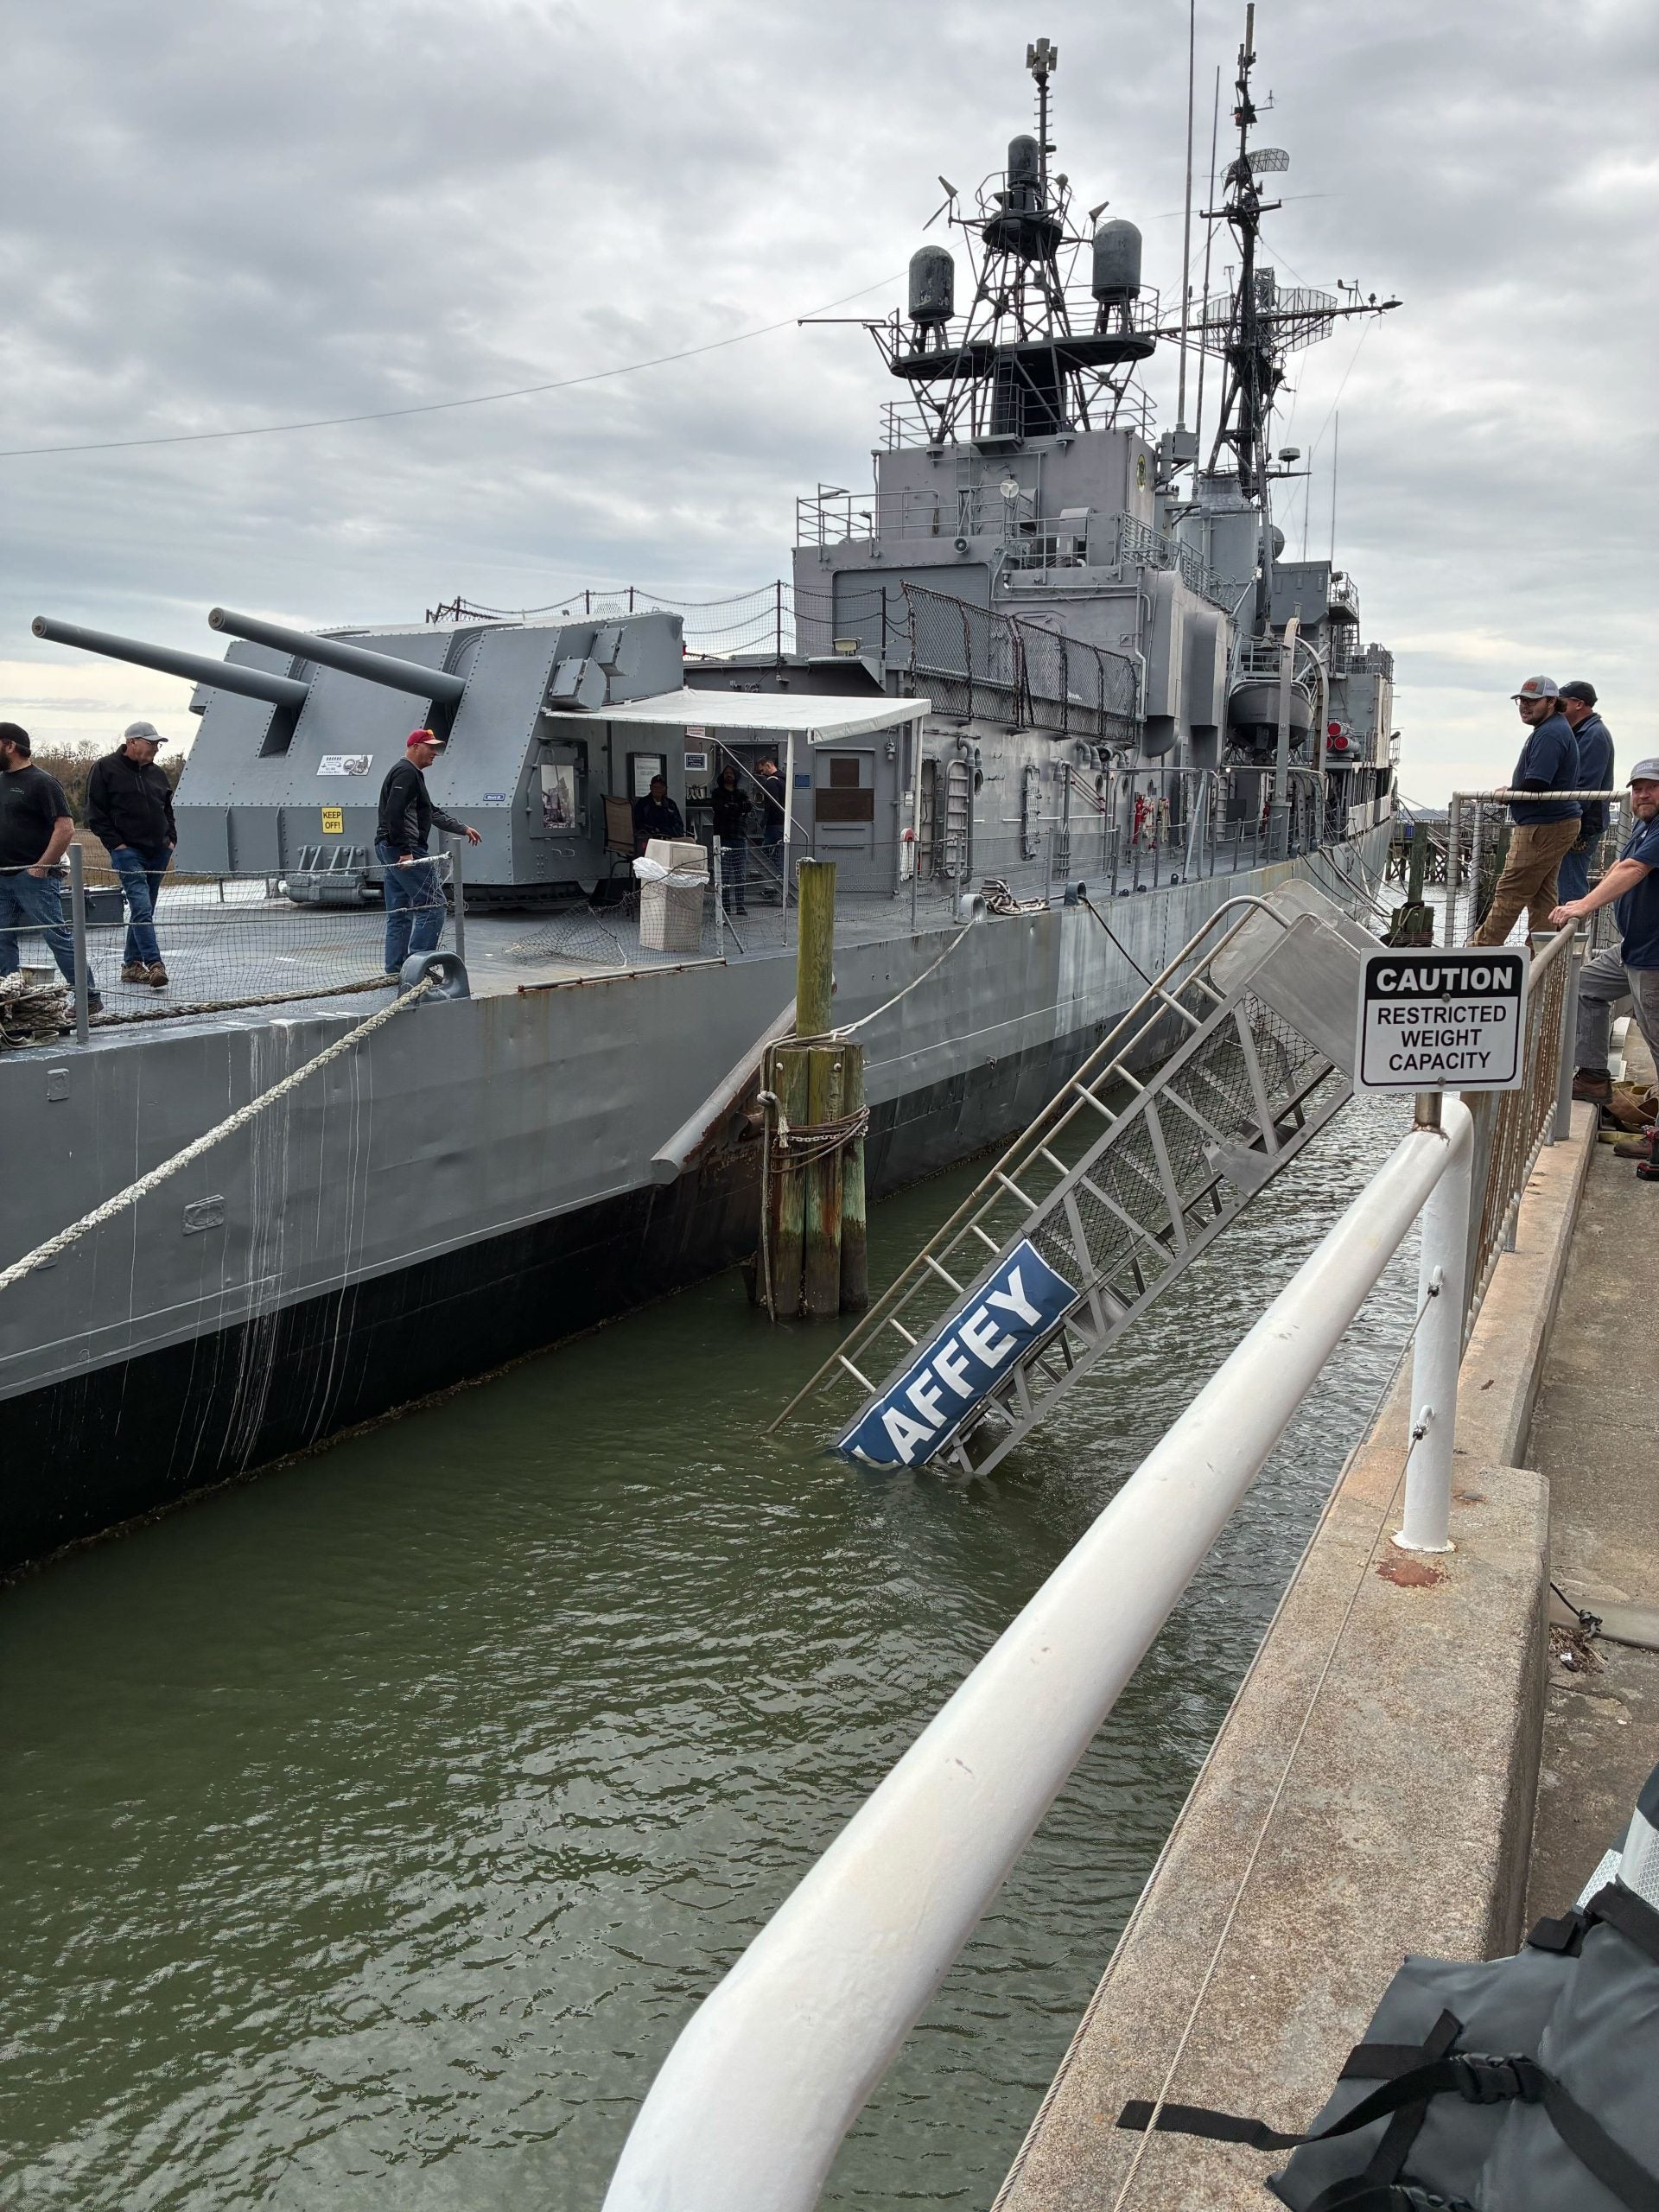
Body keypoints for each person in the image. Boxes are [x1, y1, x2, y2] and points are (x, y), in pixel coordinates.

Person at [1551, 759, 1659, 1171]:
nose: (1642, 795)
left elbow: (1635, 869)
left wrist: (1583, 904)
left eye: (1651, 788)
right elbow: (1620, 864)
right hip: (1633, 947)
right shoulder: (1644, 826)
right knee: (1586, 986)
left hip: (1654, 957)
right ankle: (1594, 1076)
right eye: (1637, 788)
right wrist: (1588, 904)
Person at [1470, 677, 1581, 946]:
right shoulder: (1553, 729)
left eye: (1532, 701)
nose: (1524, 706)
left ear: (1552, 702)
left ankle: (1477, 954)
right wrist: (1514, 789)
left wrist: (1509, 794)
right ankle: (1539, 958)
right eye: (1521, 701)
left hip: (1542, 826)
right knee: (1542, 895)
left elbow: (1537, 782)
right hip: (1556, 823)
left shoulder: (1550, 733)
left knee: (1510, 891)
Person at [0, 723, 101, 1012]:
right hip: (2, 878)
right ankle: (10, 1001)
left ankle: (89, 998)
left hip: (33, 878)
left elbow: (66, 828)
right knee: (2, 940)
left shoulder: (42, 782)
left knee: (56, 937)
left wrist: (41, 868)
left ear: (9, 745)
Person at [375, 729, 480, 980]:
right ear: (414, 746)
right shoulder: (406, 773)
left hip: (390, 848)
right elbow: (394, 813)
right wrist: (405, 852)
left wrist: (461, 828)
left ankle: (396, 969)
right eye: (430, 747)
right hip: (404, 851)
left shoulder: (412, 774)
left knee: (399, 911)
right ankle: (418, 968)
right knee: (433, 906)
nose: (435, 753)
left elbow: (429, 811)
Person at [86, 718, 177, 988]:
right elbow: (95, 812)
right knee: (141, 906)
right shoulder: (105, 768)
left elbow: (167, 809)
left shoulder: (157, 773)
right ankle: (155, 964)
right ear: (132, 742)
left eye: (158, 744)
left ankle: (130, 966)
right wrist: (117, 844)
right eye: (151, 743)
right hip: (128, 852)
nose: (156, 749)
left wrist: (171, 839)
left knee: (144, 910)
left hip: (158, 851)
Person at [1555, 681, 1614, 907]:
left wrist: (1567, 818)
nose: (1558, 707)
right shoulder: (1582, 732)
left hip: (1583, 823)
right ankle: (1563, 938)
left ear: (1579, 704)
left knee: (1570, 885)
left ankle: (1572, 939)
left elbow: (1586, 786)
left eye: (1563, 702)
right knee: (1564, 883)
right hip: (1578, 819)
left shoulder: (1594, 734)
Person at [709, 761, 752, 915]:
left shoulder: (741, 793)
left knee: (740, 874)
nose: (729, 775)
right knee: (724, 875)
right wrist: (736, 809)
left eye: (731, 773)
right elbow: (720, 809)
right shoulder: (717, 793)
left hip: (739, 836)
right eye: (727, 773)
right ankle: (725, 905)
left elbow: (748, 806)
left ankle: (740, 905)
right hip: (723, 837)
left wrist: (731, 808)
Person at [755, 757, 786, 899]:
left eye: (762, 770)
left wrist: (763, 821)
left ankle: (773, 889)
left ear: (768, 766)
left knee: (767, 857)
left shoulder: (772, 782)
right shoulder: (784, 780)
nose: (762, 774)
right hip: (782, 823)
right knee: (778, 856)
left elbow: (770, 805)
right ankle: (777, 889)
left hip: (774, 823)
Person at [631, 773, 683, 851]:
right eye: (655, 787)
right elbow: (638, 824)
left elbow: (679, 824)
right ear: (650, 788)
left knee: (690, 841)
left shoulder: (670, 804)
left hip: (671, 838)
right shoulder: (643, 803)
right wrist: (655, 830)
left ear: (665, 789)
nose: (657, 790)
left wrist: (672, 832)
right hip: (652, 839)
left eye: (660, 787)